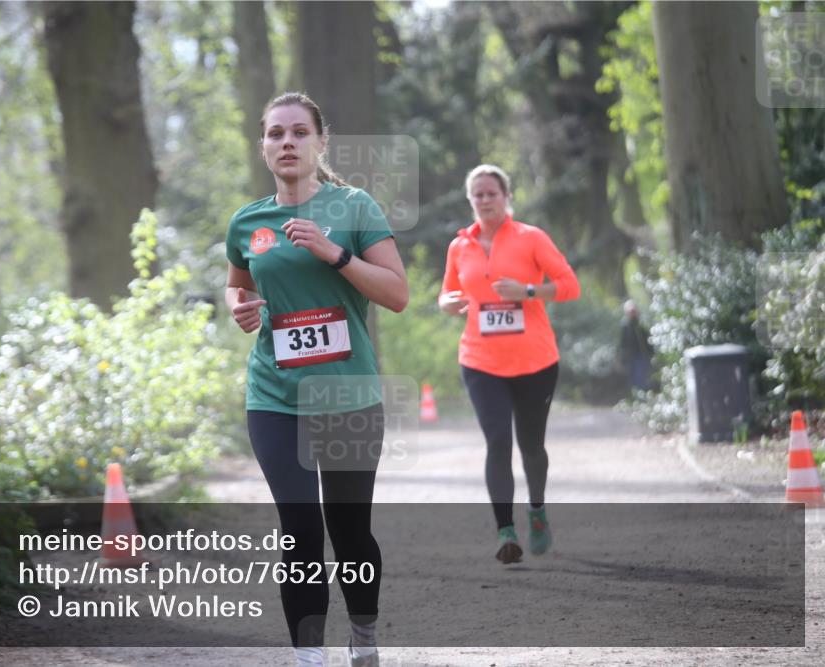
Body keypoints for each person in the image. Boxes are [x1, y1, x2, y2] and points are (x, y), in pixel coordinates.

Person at [224, 92, 408, 667]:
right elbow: (236, 284)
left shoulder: (354, 208)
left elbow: (397, 294)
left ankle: (364, 634)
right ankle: (309, 657)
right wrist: (239, 307)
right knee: (299, 528)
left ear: (321, 142)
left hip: (348, 394)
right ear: (262, 146)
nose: (287, 142)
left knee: (349, 532)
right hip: (275, 397)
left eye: (299, 132)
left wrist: (335, 254)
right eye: (276, 133)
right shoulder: (248, 222)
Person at [438, 164, 579, 565]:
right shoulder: (459, 246)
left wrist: (528, 291)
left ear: (506, 197)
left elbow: (570, 286)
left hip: (535, 361)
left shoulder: (531, 238)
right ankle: (505, 532)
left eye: (492, 194)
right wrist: (448, 303)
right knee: (498, 442)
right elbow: (446, 293)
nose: (485, 200)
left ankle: (536, 509)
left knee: (531, 446)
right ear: (470, 200)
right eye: (478, 195)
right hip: (480, 361)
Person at [619, 299, 653, 391]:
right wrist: (621, 357)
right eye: (630, 312)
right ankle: (635, 393)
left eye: (633, 311)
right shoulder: (625, 326)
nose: (632, 313)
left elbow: (648, 339)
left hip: (642, 355)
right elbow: (623, 342)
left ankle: (642, 393)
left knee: (641, 376)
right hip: (630, 356)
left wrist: (651, 353)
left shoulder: (641, 323)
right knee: (632, 378)